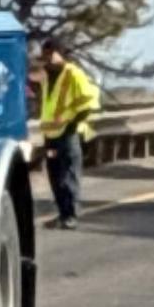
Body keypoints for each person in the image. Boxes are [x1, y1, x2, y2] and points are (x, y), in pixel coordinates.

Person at [38, 37, 100, 229]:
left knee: (68, 175)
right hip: (50, 135)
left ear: (60, 53)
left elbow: (89, 102)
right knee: (55, 175)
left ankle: (71, 215)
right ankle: (62, 214)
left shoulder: (74, 74)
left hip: (68, 134)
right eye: (44, 54)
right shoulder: (47, 76)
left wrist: (72, 125)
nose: (46, 58)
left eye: (50, 53)